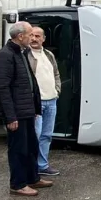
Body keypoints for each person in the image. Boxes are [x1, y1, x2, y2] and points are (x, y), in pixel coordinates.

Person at [0, 21, 52, 197]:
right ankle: (18, 184)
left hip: (26, 111)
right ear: (20, 36)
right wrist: (10, 117)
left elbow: (27, 83)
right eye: (29, 34)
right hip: (16, 114)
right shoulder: (5, 56)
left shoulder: (21, 53)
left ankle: (32, 177)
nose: (31, 37)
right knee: (18, 149)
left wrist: (34, 108)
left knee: (31, 146)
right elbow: (3, 88)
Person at [28, 27, 61, 176]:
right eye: (32, 35)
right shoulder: (25, 54)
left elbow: (56, 74)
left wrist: (57, 91)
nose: (34, 39)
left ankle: (42, 165)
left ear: (43, 39)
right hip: (36, 103)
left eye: (37, 36)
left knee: (46, 135)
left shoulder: (49, 55)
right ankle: (31, 167)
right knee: (35, 135)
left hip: (51, 101)